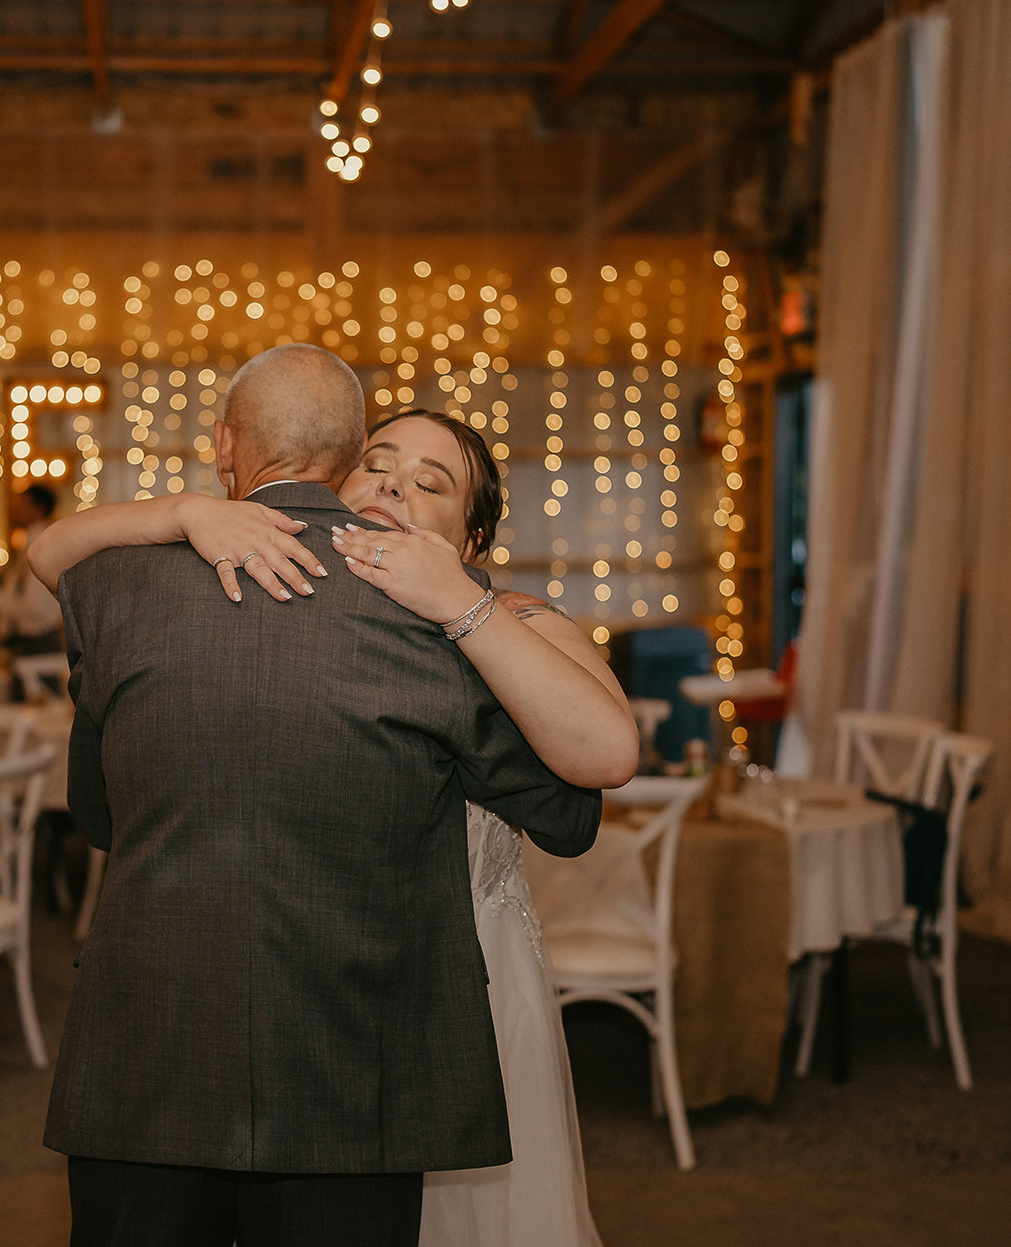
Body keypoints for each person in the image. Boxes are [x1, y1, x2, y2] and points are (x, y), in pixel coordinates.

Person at [39, 345, 620, 1247]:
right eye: (380, 464)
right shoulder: (433, 631)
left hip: (150, 1053)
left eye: (428, 482)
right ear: (344, 463)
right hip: (356, 1071)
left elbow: (98, 812)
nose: (392, 488)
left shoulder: (115, 585)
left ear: (225, 447)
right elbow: (568, 814)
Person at [0, 482, 65, 657]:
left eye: (23, 504)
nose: (15, 509)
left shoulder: (41, 547)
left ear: (38, 510)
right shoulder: (29, 543)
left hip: (38, 643)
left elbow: (35, 607)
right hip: (29, 642)